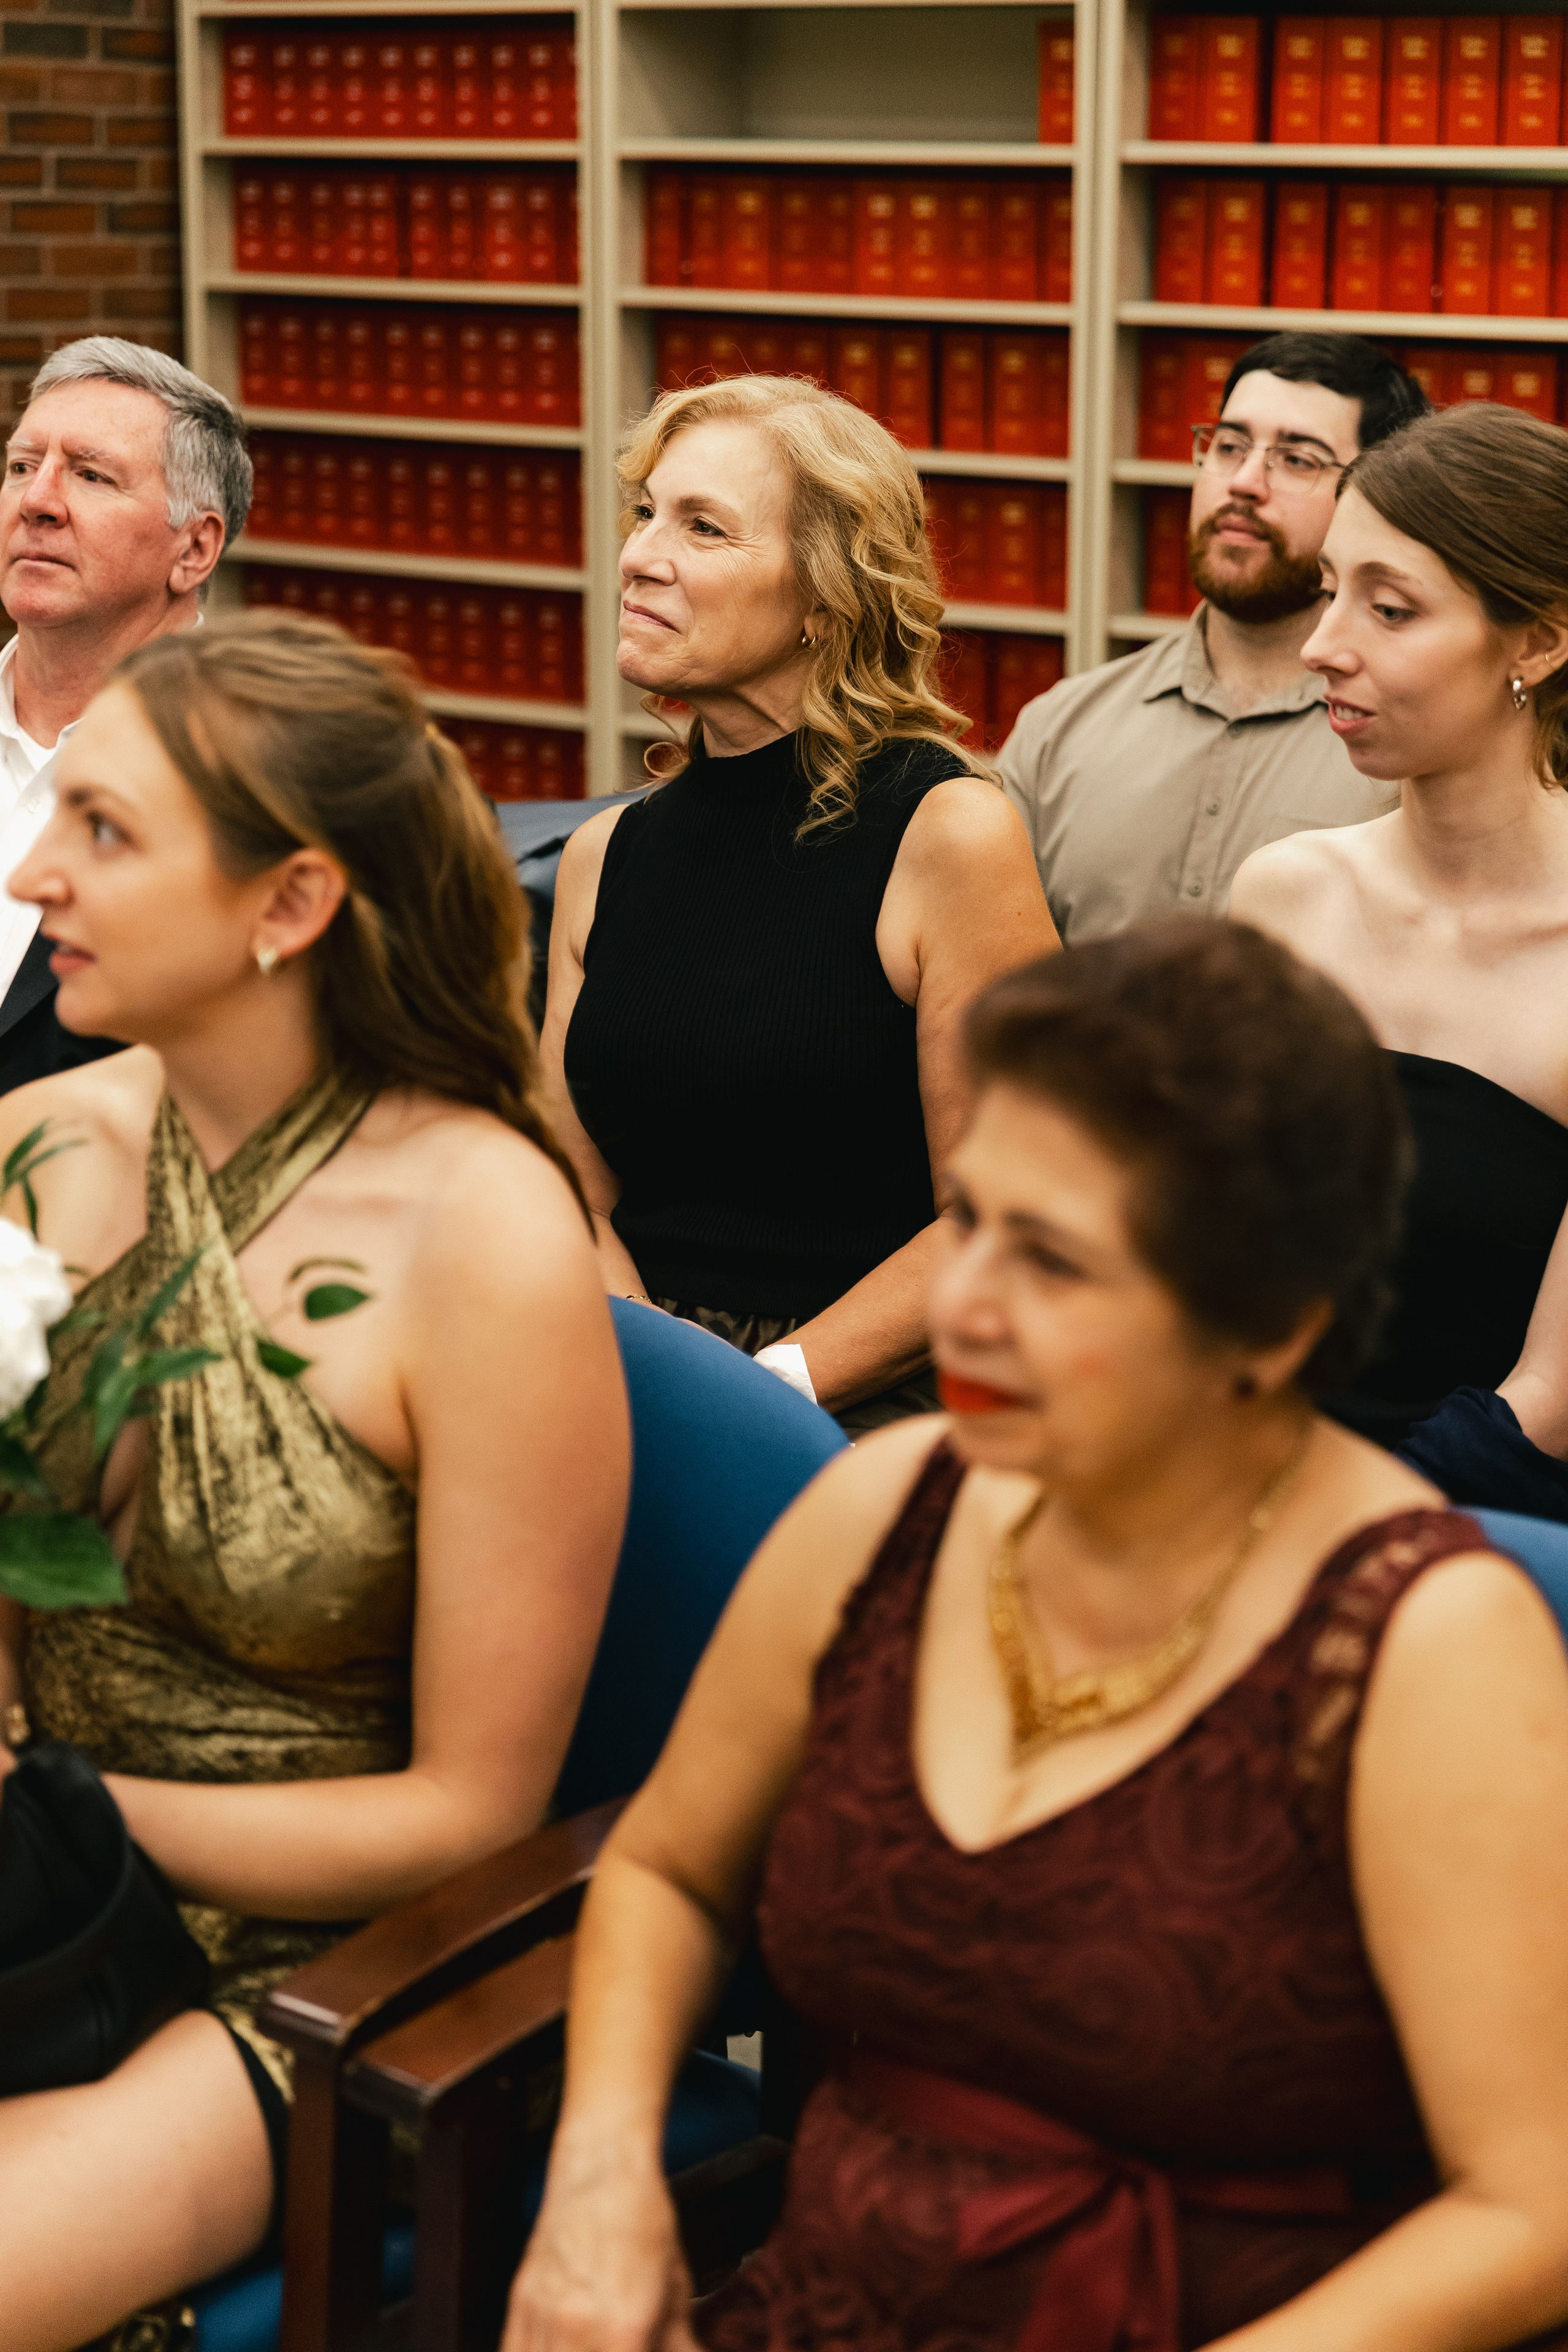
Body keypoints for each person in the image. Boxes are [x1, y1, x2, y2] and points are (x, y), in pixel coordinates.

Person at [505, 919, 1568, 2352]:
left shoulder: (1422, 1647)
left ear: (1266, 1324)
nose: (964, 1308)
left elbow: (1526, 2207)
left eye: (1054, 1262)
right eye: (972, 1224)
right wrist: (600, 2177)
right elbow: (669, 1871)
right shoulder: (881, 1508)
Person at [0, 612, 628, 2349]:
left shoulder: (488, 1240)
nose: (38, 871)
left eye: (106, 831)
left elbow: (471, 1820)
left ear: (289, 905)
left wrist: (56, 1809)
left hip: (298, 1962)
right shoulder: (36, 1151)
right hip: (30, 1883)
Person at [541, 372, 1058, 1436]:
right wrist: (645, 1367)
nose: (640, 556)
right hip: (620, 1370)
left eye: (705, 527)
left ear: (828, 596)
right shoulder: (605, 854)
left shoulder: (948, 835)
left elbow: (1007, 1206)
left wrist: (765, 1396)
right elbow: (569, 1186)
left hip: (860, 1397)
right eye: (647, 515)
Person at [1231, 401, 1568, 1518]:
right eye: (1330, 589)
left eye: (1391, 608)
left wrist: (1302, 1545)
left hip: (1474, 1540)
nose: (1326, 645)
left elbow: (1550, 1401)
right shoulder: (1285, 896)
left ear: (1539, 640)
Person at [999, 333, 1429, 944]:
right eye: (1229, 446)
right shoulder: (1058, 728)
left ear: (1376, 499)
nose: (1245, 482)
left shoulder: (1412, 755)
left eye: (1297, 459)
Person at [0, 336, 251, 1097]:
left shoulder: (261, 769)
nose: (38, 501)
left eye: (91, 475)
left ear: (195, 548)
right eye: (20, 466)